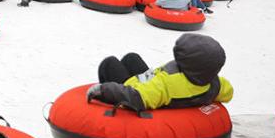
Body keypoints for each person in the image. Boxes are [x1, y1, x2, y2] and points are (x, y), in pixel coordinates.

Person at [87, 36, 232, 112]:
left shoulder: (167, 85)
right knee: (131, 57)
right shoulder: (215, 83)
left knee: (109, 63)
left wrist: (105, 90)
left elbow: (138, 97)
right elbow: (228, 93)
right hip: (151, 82)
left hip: (134, 88)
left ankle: (104, 114)